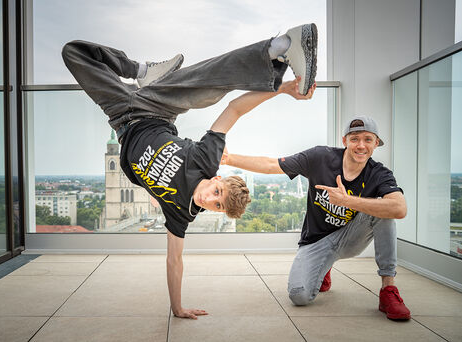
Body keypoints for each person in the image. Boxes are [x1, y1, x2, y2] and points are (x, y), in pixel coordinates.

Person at [61, 23, 318, 319]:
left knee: (73, 53)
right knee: (203, 87)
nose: (211, 199)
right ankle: (280, 47)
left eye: (217, 205)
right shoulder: (206, 160)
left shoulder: (181, 213)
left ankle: (148, 76)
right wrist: (281, 89)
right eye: (217, 192)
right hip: (155, 108)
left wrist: (177, 307)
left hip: (120, 115)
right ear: (216, 179)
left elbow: (174, 261)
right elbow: (234, 108)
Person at [222, 115, 412, 320]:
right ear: (344, 141)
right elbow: (271, 164)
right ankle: (323, 267)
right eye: (354, 138)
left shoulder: (379, 173)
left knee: (386, 210)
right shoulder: (320, 157)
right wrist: (228, 158)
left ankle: (388, 291)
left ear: (376, 143)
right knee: (299, 296)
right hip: (316, 241)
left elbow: (399, 208)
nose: (361, 145)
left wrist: (347, 201)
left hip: (350, 238)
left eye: (367, 139)